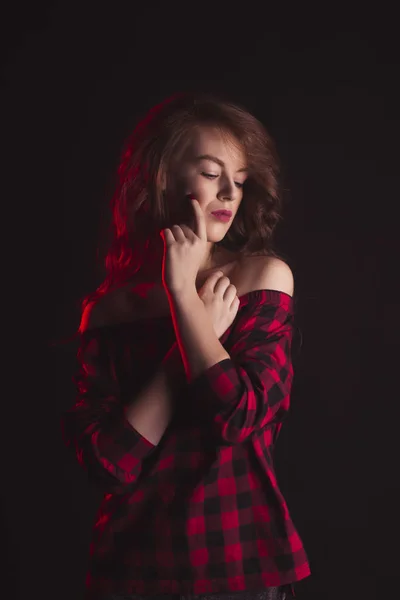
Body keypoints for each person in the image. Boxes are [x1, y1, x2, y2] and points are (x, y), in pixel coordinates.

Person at [61, 92, 311, 600]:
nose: (228, 192)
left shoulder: (259, 279)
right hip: (129, 573)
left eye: (239, 181)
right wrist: (188, 312)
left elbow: (238, 416)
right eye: (210, 172)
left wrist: (184, 300)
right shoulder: (109, 311)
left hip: (239, 567)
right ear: (161, 177)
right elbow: (110, 463)